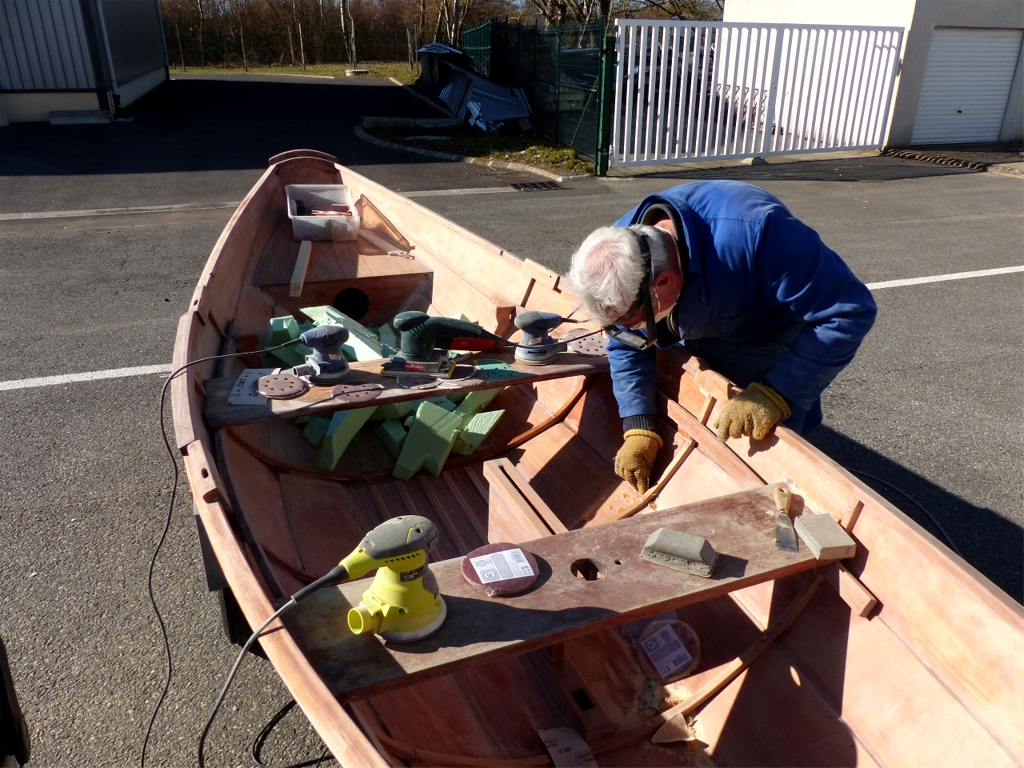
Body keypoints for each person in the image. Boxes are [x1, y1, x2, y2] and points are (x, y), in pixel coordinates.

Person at [567, 180, 877, 494]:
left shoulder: (758, 234)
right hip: (702, 319)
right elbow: (625, 340)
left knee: (772, 464)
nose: (631, 332)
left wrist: (778, 391)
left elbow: (847, 311)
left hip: (767, 343)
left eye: (636, 323)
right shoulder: (621, 248)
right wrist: (638, 425)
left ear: (664, 281)